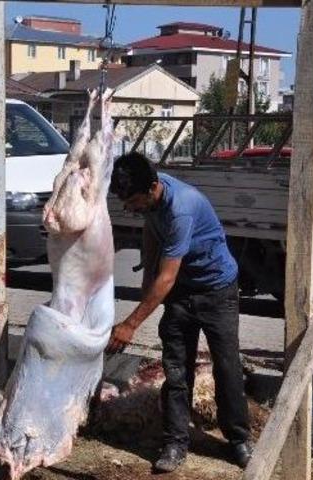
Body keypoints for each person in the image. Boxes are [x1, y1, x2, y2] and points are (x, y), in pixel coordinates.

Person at [105, 153, 251, 472]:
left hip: (217, 290)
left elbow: (167, 276)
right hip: (182, 294)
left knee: (226, 366)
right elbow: (151, 237)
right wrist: (146, 285)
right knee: (175, 369)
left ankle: (238, 440)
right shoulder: (153, 199)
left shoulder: (181, 208)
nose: (129, 208)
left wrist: (131, 324)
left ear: (153, 188)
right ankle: (175, 442)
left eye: (132, 201)